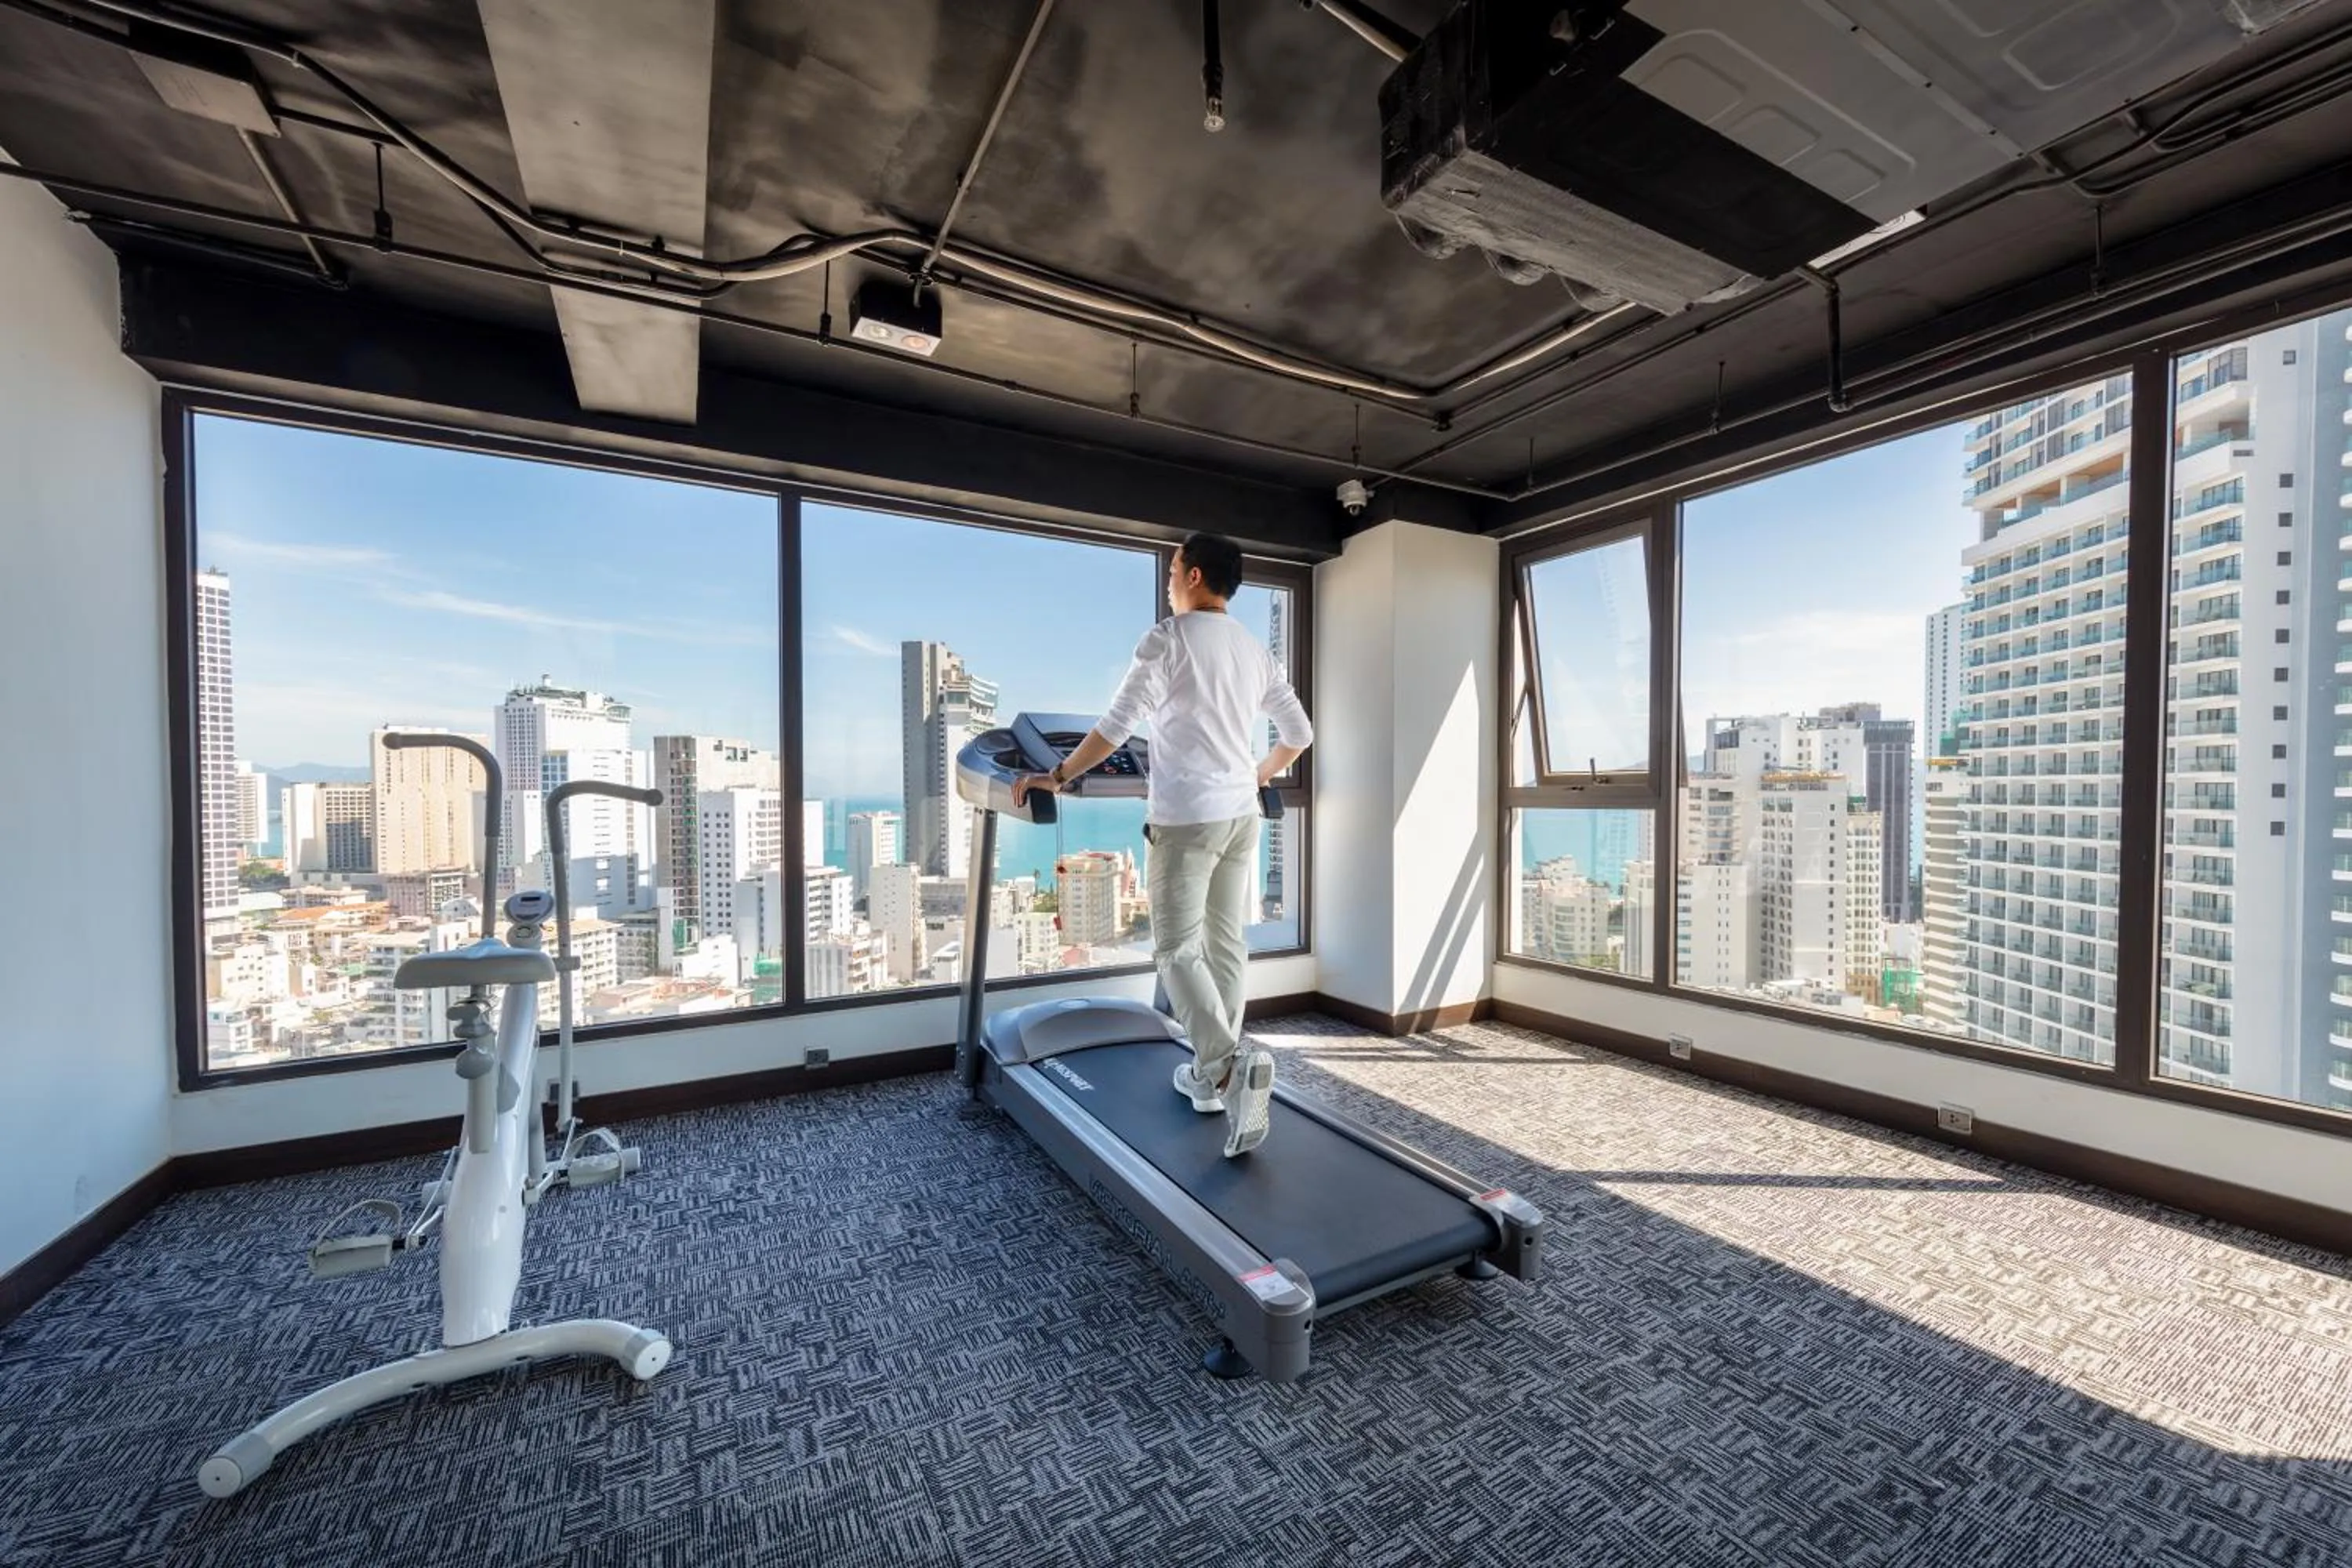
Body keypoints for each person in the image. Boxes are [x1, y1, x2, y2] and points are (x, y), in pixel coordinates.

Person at [1012, 534, 1312, 1156]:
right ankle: (1208, 1076)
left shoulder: (1168, 640)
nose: (1169, 581)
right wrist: (1258, 774)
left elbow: (1115, 726)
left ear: (1194, 575)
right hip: (1240, 817)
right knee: (1225, 945)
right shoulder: (1254, 651)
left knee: (1176, 949)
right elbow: (1299, 734)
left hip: (1186, 821)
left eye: (1174, 570)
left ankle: (1227, 1070)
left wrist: (1057, 775)